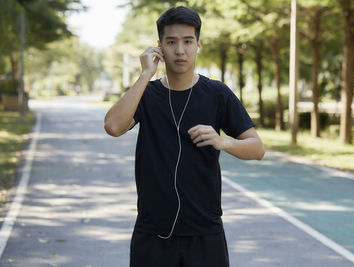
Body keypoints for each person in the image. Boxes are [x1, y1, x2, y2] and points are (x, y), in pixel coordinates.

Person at [104, 6, 265, 267]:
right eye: (171, 42)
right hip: (153, 232)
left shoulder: (217, 94)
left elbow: (257, 148)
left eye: (188, 41)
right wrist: (146, 74)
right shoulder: (146, 93)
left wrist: (222, 141)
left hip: (205, 233)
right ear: (159, 47)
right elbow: (113, 126)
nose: (180, 50)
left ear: (198, 45)